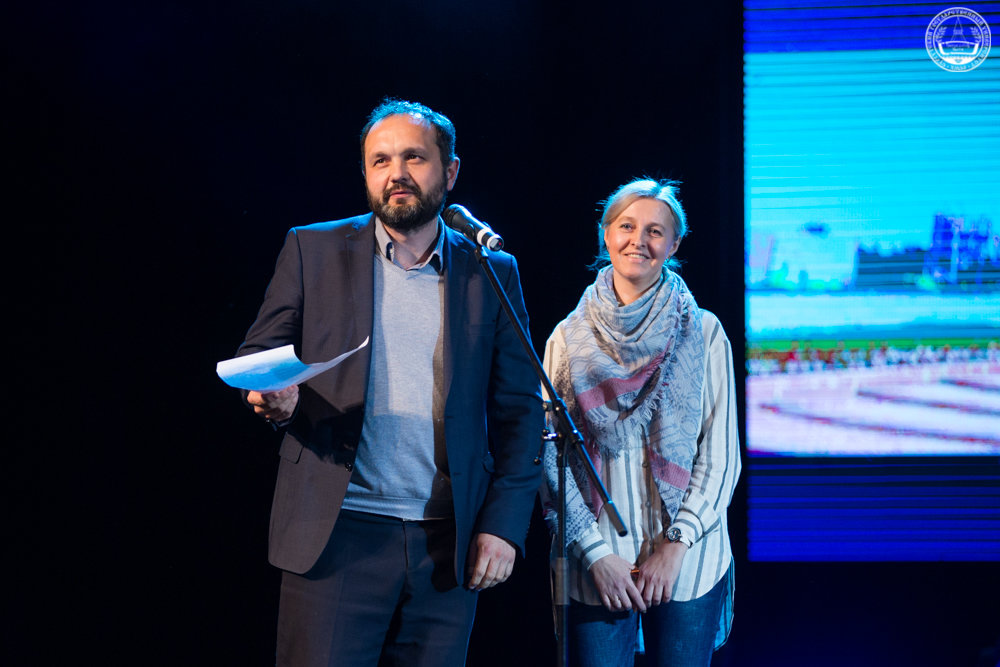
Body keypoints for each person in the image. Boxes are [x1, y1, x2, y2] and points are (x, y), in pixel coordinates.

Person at [234, 99, 543, 667]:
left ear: (450, 171)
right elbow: (259, 355)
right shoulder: (313, 249)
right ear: (366, 173)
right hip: (337, 532)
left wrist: (503, 526)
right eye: (380, 160)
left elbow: (522, 411)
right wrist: (276, 398)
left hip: (448, 543)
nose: (396, 173)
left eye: (413, 158)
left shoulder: (491, 270)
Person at [540, 178, 742, 667]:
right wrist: (595, 554)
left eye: (655, 231)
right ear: (606, 234)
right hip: (597, 565)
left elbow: (721, 457)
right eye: (627, 226)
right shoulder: (566, 340)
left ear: (674, 244)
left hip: (687, 562)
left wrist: (676, 545)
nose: (639, 240)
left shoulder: (704, 332)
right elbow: (549, 456)